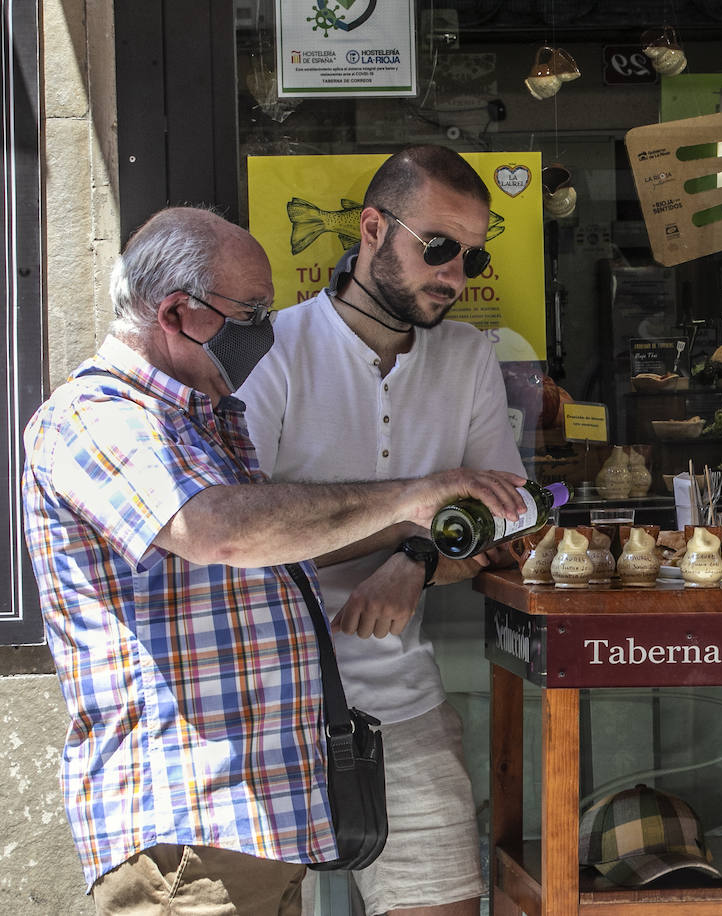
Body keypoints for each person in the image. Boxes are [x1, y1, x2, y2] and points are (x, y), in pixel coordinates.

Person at [20, 206, 527, 914]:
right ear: (178, 313)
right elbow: (219, 532)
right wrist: (413, 496)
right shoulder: (96, 415)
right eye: (252, 312)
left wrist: (417, 547)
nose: (267, 327)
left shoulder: (203, 421)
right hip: (187, 817)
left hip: (253, 813)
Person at [239, 145, 523, 916]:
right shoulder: (276, 351)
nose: (455, 275)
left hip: (400, 698)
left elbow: (510, 510)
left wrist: (418, 561)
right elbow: (237, 533)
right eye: (438, 248)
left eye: (472, 255)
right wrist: (414, 510)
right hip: (261, 710)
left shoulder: (466, 357)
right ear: (372, 228)